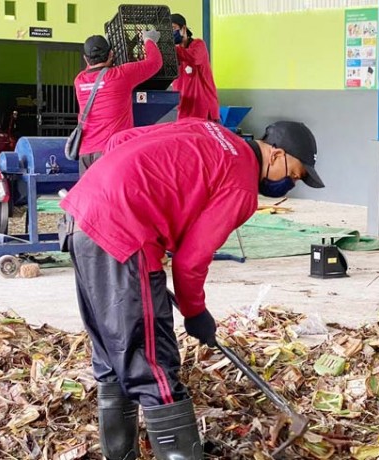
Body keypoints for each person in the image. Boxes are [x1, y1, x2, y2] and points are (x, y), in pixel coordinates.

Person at [60, 119, 324, 460]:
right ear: (276, 155)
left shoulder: (210, 130)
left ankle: (121, 454)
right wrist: (195, 312)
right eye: (295, 174)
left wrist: (138, 192)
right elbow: (190, 261)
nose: (291, 183)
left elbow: (121, 140)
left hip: (82, 216)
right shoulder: (242, 185)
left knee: (114, 354)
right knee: (154, 364)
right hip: (124, 233)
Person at [73, 30, 162, 175]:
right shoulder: (121, 75)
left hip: (86, 153)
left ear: (85, 58)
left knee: (90, 190)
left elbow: (93, 70)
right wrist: (149, 40)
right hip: (111, 151)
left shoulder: (79, 80)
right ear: (110, 54)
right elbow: (155, 63)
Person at [171, 13, 220, 121]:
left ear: (184, 29)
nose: (171, 33)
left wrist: (168, 47)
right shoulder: (173, 54)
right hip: (184, 111)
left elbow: (193, 57)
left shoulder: (198, 45)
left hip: (204, 112)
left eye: (173, 28)